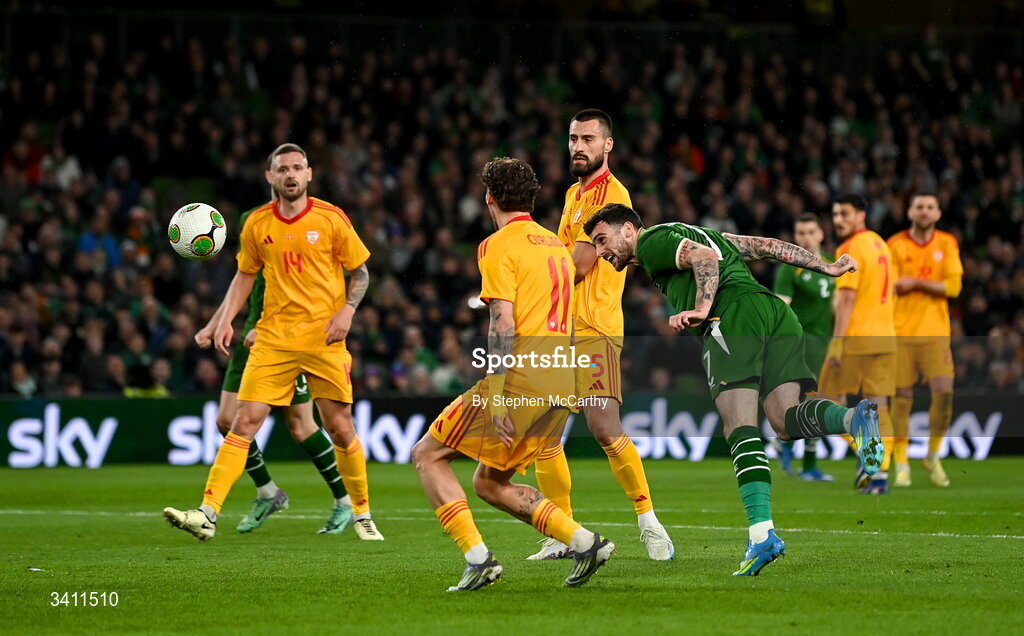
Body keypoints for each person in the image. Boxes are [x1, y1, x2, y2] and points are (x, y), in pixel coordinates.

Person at [582, 203, 883, 576]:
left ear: (628, 229)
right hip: (775, 312)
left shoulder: (651, 242)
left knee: (739, 426)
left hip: (733, 318)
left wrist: (702, 308)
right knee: (785, 420)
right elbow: (766, 246)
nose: (599, 252)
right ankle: (853, 418)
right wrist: (827, 266)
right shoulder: (691, 229)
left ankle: (762, 534)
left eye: (601, 239)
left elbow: (705, 258)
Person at [411, 157, 615, 591]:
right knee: (490, 481)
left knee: (427, 455)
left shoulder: (497, 245)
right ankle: (584, 542)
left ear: (489, 197)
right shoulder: (554, 245)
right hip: (561, 377)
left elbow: (502, 321)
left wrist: (500, 394)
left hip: (522, 377)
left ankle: (478, 558)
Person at [164, 143, 382, 542]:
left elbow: (361, 272)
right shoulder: (256, 224)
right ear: (271, 177)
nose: (291, 175)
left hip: (323, 339)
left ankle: (361, 512)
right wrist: (225, 320)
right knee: (240, 422)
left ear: (309, 174)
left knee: (339, 428)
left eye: (298, 168)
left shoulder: (332, 218)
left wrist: (348, 310)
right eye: (283, 169)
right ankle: (207, 513)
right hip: (273, 339)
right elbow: (245, 276)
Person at [530, 108, 673, 562]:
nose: (578, 146)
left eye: (588, 139)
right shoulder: (574, 194)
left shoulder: (611, 196)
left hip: (594, 330)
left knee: (603, 426)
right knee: (543, 433)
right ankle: (562, 532)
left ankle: (648, 520)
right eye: (573, 138)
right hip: (561, 330)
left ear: (607, 145)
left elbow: (581, 263)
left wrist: (525, 285)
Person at [191, 203, 355, 535]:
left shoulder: (309, 230)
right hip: (252, 335)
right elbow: (243, 282)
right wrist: (216, 324)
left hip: (285, 338)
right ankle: (268, 492)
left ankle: (344, 501)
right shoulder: (253, 224)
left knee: (301, 426)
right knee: (226, 420)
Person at [886, 193, 963, 487]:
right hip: (901, 332)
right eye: (919, 206)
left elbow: (954, 287)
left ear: (938, 213)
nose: (924, 211)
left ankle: (932, 456)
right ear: (909, 212)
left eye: (930, 207)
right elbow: (889, 285)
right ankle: (902, 463)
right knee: (902, 400)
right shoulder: (895, 244)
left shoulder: (947, 243)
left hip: (935, 334)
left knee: (944, 395)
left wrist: (916, 283)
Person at [823, 194, 897, 495]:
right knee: (880, 408)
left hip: (856, 338)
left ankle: (865, 452)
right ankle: (879, 475)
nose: (838, 220)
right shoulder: (882, 244)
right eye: (835, 214)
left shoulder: (850, 247)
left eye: (844, 214)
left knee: (821, 402)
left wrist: (837, 343)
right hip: (886, 337)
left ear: (861, 214)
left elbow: (848, 298)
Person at [772, 213, 835, 481]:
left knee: (812, 402)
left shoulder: (833, 264)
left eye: (811, 231)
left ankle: (784, 444)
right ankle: (808, 464)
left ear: (821, 233)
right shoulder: (790, 268)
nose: (806, 237)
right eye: (800, 233)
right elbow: (781, 305)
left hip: (828, 344)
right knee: (814, 401)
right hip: (802, 343)